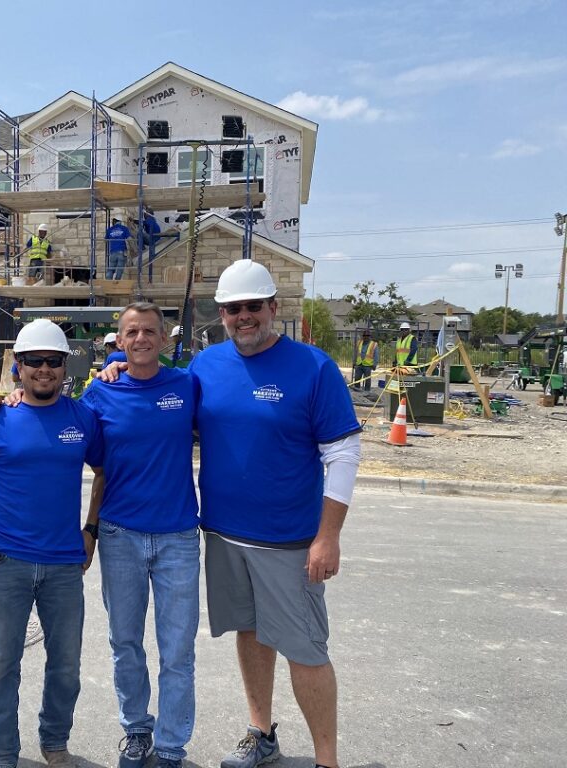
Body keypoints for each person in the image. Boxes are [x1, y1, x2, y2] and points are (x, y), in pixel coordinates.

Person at [189, 260, 361, 768]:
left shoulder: (313, 367)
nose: (244, 316)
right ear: (221, 313)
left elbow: (343, 453)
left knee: (305, 649)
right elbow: (163, 404)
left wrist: (328, 535)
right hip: (223, 535)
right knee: (250, 633)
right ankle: (261, 734)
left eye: (252, 307)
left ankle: (326, 759)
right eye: (233, 308)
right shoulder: (205, 366)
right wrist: (114, 368)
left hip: (289, 541)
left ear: (273, 308)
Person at [0, 319, 103, 768]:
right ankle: (3, 755)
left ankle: (54, 742)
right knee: (0, 668)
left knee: (66, 667)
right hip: (7, 562)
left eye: (53, 361)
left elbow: (105, 472)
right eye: (35, 362)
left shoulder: (83, 418)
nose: (44, 370)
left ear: (64, 366)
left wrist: (91, 529)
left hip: (65, 566)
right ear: (19, 367)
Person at [80, 302, 199, 768]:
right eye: (132, 332)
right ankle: (136, 729)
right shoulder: (99, 392)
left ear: (164, 339)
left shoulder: (187, 385)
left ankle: (170, 745)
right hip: (119, 534)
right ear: (120, 340)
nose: (142, 339)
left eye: (150, 331)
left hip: (177, 538)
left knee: (176, 649)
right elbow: (74, 442)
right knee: (124, 641)